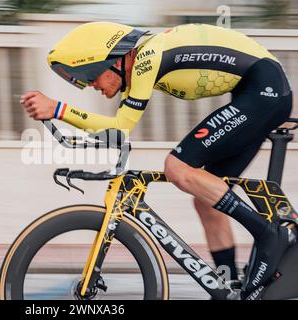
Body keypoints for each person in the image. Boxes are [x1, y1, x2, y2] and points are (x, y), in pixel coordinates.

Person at [20, 22, 294, 297]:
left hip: (264, 91)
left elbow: (119, 128)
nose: (91, 85)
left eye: (91, 76)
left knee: (177, 167)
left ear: (111, 61)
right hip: (256, 92)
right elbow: (113, 131)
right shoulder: (139, 66)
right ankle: (230, 289)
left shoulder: (146, 59)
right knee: (205, 199)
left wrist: (58, 108)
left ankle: (268, 233)